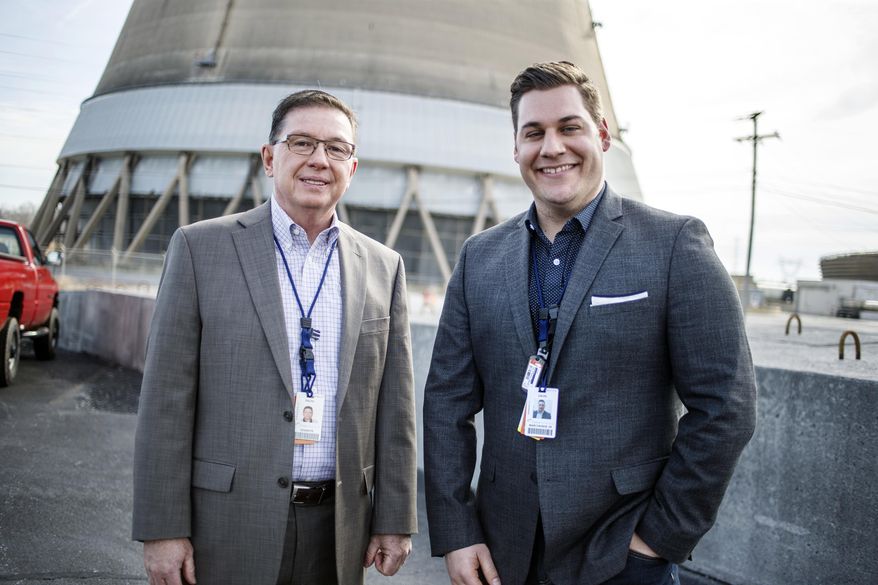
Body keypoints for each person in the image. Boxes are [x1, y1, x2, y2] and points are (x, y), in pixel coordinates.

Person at [423, 61, 757, 585]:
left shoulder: (674, 245)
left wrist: (657, 541)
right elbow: (446, 403)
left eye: (569, 127)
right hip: (502, 550)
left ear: (601, 135)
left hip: (621, 551)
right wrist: (457, 531)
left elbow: (726, 406)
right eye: (534, 132)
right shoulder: (478, 258)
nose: (552, 147)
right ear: (516, 147)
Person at [133, 90, 417, 585]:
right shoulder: (200, 248)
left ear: (352, 167)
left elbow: (396, 408)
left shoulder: (383, 266)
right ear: (269, 158)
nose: (319, 160)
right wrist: (162, 530)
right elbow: (165, 400)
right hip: (226, 524)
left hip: (338, 531)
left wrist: (395, 519)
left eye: (336, 148)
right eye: (302, 143)